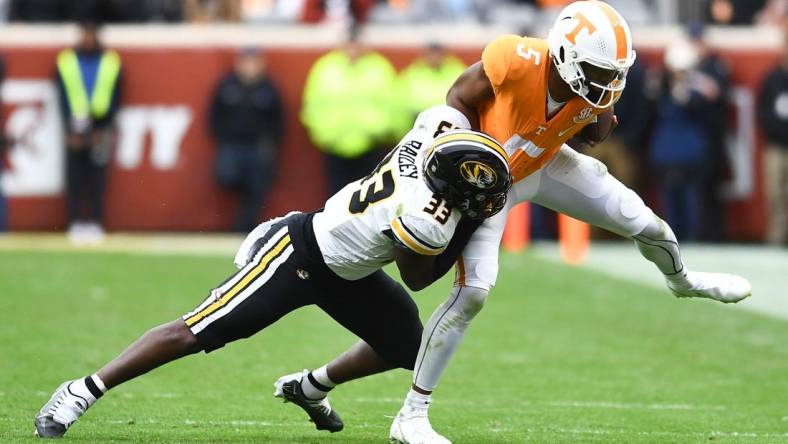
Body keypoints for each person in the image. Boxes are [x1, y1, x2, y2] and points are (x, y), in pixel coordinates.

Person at [278, 2, 752, 443]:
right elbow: (456, 98)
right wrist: (471, 170)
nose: (607, 84)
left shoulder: (593, 88)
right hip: (489, 181)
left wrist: (595, 120)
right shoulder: (516, 58)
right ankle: (411, 416)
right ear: (566, 56)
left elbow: (591, 125)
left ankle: (682, 280)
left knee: (645, 222)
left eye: (613, 74)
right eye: (598, 72)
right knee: (474, 292)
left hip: (542, 164)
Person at [33, 109, 513, 439]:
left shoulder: (433, 131)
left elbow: (455, 101)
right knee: (195, 332)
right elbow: (419, 278)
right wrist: (470, 222)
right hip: (299, 256)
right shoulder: (426, 218)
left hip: (349, 268)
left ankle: (310, 386)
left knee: (407, 346)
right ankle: (81, 391)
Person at [301, 24, 399, 196]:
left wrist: (378, 131)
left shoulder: (379, 68)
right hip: (334, 146)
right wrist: (325, 135)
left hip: (370, 145)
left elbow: (393, 105)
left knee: (370, 201)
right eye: (350, 42)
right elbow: (312, 105)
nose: (353, 47)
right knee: (334, 200)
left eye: (356, 42)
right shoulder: (325, 68)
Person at [56, 21, 122, 243]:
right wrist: (69, 127)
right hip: (75, 126)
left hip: (99, 128)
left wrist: (103, 128)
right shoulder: (66, 60)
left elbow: (115, 95)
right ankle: (73, 221)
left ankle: (96, 221)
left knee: (97, 178)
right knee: (74, 176)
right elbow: (62, 95)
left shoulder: (110, 60)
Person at [210, 48, 284, 232]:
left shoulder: (269, 88)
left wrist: (271, 142)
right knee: (227, 177)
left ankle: (243, 228)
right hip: (232, 144)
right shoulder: (227, 85)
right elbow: (214, 115)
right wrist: (223, 135)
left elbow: (279, 120)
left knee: (257, 187)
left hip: (257, 146)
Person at [648, 39, 710, 241]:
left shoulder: (698, 89)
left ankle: (690, 238)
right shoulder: (661, 88)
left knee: (688, 199)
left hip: (686, 153)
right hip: (669, 152)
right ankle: (674, 239)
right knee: (671, 202)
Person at [397, 42, 466, 136]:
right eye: (431, 53)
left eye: (438, 53)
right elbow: (402, 104)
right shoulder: (412, 74)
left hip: (451, 127)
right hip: (420, 128)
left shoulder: (458, 72)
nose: (435, 57)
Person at [758, 27, 788, 245]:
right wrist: (773, 133)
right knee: (775, 194)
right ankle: (777, 238)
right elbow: (763, 111)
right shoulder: (772, 78)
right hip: (776, 146)